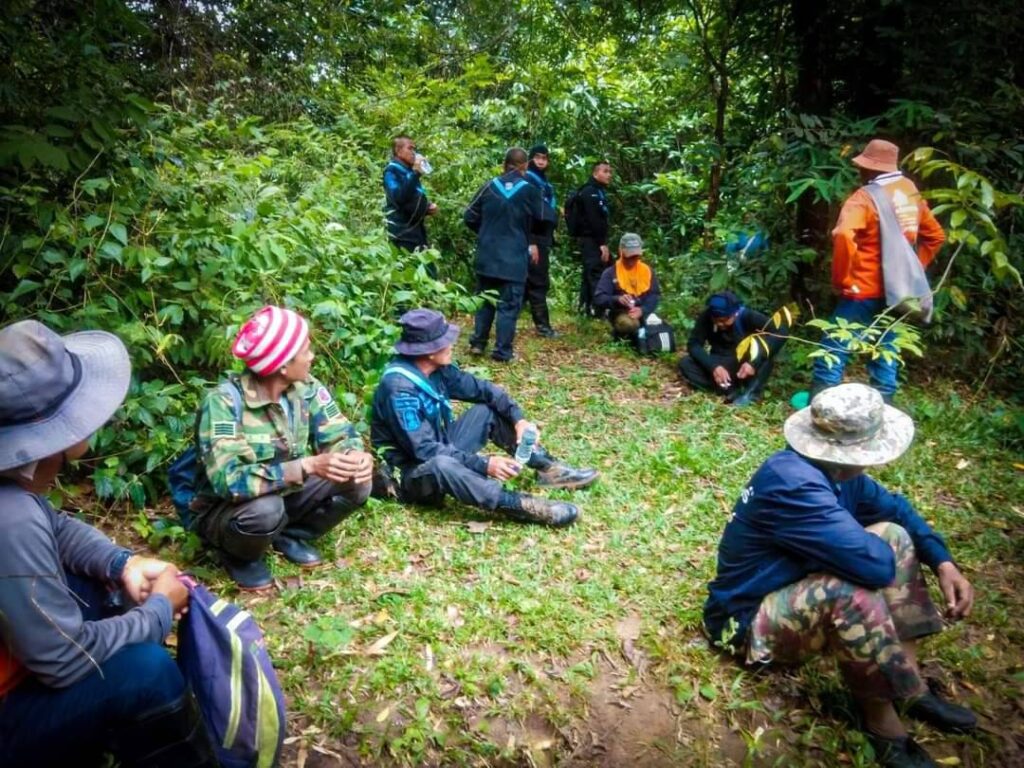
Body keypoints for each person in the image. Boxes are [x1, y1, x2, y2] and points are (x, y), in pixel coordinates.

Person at [704, 383, 976, 768]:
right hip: (746, 620)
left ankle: (909, 685)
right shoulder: (793, 483)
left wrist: (943, 561)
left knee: (894, 535)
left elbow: (895, 511)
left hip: (789, 584)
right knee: (850, 588)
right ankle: (883, 728)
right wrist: (862, 548)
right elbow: (877, 568)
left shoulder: (834, 472)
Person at [0, 320, 215, 767]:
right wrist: (158, 611)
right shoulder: (10, 516)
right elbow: (64, 659)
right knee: (148, 673)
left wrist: (123, 564)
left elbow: (54, 528)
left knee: (98, 584)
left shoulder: (17, 495)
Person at [191, 305, 373, 590]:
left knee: (357, 479)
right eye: (306, 350)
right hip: (231, 510)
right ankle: (239, 556)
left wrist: (354, 455)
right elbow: (229, 481)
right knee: (266, 510)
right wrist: (305, 466)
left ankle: (288, 534)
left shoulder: (307, 388)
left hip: (287, 495)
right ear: (283, 366)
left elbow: (339, 432)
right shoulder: (223, 402)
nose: (312, 356)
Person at [371, 309, 598, 525]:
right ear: (429, 351)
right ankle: (519, 505)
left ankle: (549, 469)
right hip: (412, 474)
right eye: (445, 341)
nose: (452, 345)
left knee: (485, 411)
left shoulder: (436, 370)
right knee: (442, 464)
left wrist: (519, 420)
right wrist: (484, 464)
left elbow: (485, 391)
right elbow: (425, 451)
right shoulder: (399, 389)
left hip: (437, 448)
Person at [810, 139, 945, 403]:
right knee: (886, 347)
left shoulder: (864, 198)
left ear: (870, 169)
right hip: (898, 293)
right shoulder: (909, 191)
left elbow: (844, 235)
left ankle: (819, 411)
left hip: (861, 288)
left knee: (832, 349)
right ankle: (884, 412)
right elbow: (936, 236)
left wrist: (843, 279)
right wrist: (913, 271)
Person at [464, 147, 552, 362]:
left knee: (485, 301)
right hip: (513, 258)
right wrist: (529, 234)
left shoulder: (489, 186)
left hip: (487, 255)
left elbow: (469, 216)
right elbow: (548, 216)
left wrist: (485, 232)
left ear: (504, 165)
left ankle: (478, 343)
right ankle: (502, 351)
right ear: (525, 166)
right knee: (508, 306)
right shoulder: (529, 190)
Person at [678, 291, 788, 407]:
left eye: (724, 320)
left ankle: (750, 394)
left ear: (735, 313)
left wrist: (753, 363)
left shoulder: (747, 316)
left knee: (767, 354)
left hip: (744, 365)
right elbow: (694, 344)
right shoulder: (706, 317)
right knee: (686, 363)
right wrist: (713, 367)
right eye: (716, 320)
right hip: (720, 363)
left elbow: (781, 332)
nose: (720, 324)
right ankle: (730, 390)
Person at [593, 232, 662, 342]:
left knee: (659, 327)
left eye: (635, 257)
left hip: (642, 311)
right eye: (628, 257)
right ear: (621, 252)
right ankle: (622, 337)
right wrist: (617, 299)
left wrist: (643, 310)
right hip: (621, 312)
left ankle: (642, 339)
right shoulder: (611, 272)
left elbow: (654, 295)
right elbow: (599, 298)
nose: (631, 261)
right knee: (629, 324)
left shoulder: (647, 271)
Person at [523, 143, 558, 338]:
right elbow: (528, 213)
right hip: (532, 238)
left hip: (543, 238)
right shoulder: (529, 180)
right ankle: (543, 327)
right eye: (537, 158)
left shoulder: (544, 182)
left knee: (531, 281)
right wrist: (532, 241)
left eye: (544, 158)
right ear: (530, 159)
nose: (541, 161)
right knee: (538, 282)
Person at [383, 135, 438, 253]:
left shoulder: (409, 171)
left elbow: (411, 199)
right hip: (402, 233)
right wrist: (415, 173)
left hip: (416, 231)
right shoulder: (392, 171)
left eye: (414, 149)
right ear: (398, 151)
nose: (414, 152)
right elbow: (398, 197)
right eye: (410, 148)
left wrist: (427, 208)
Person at [573, 160, 613, 317]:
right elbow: (593, 220)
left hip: (593, 240)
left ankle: (586, 307)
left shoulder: (598, 191)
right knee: (596, 273)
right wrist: (601, 243)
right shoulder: (590, 192)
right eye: (605, 171)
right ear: (595, 173)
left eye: (610, 172)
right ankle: (599, 310)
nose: (609, 175)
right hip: (591, 240)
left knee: (589, 273)